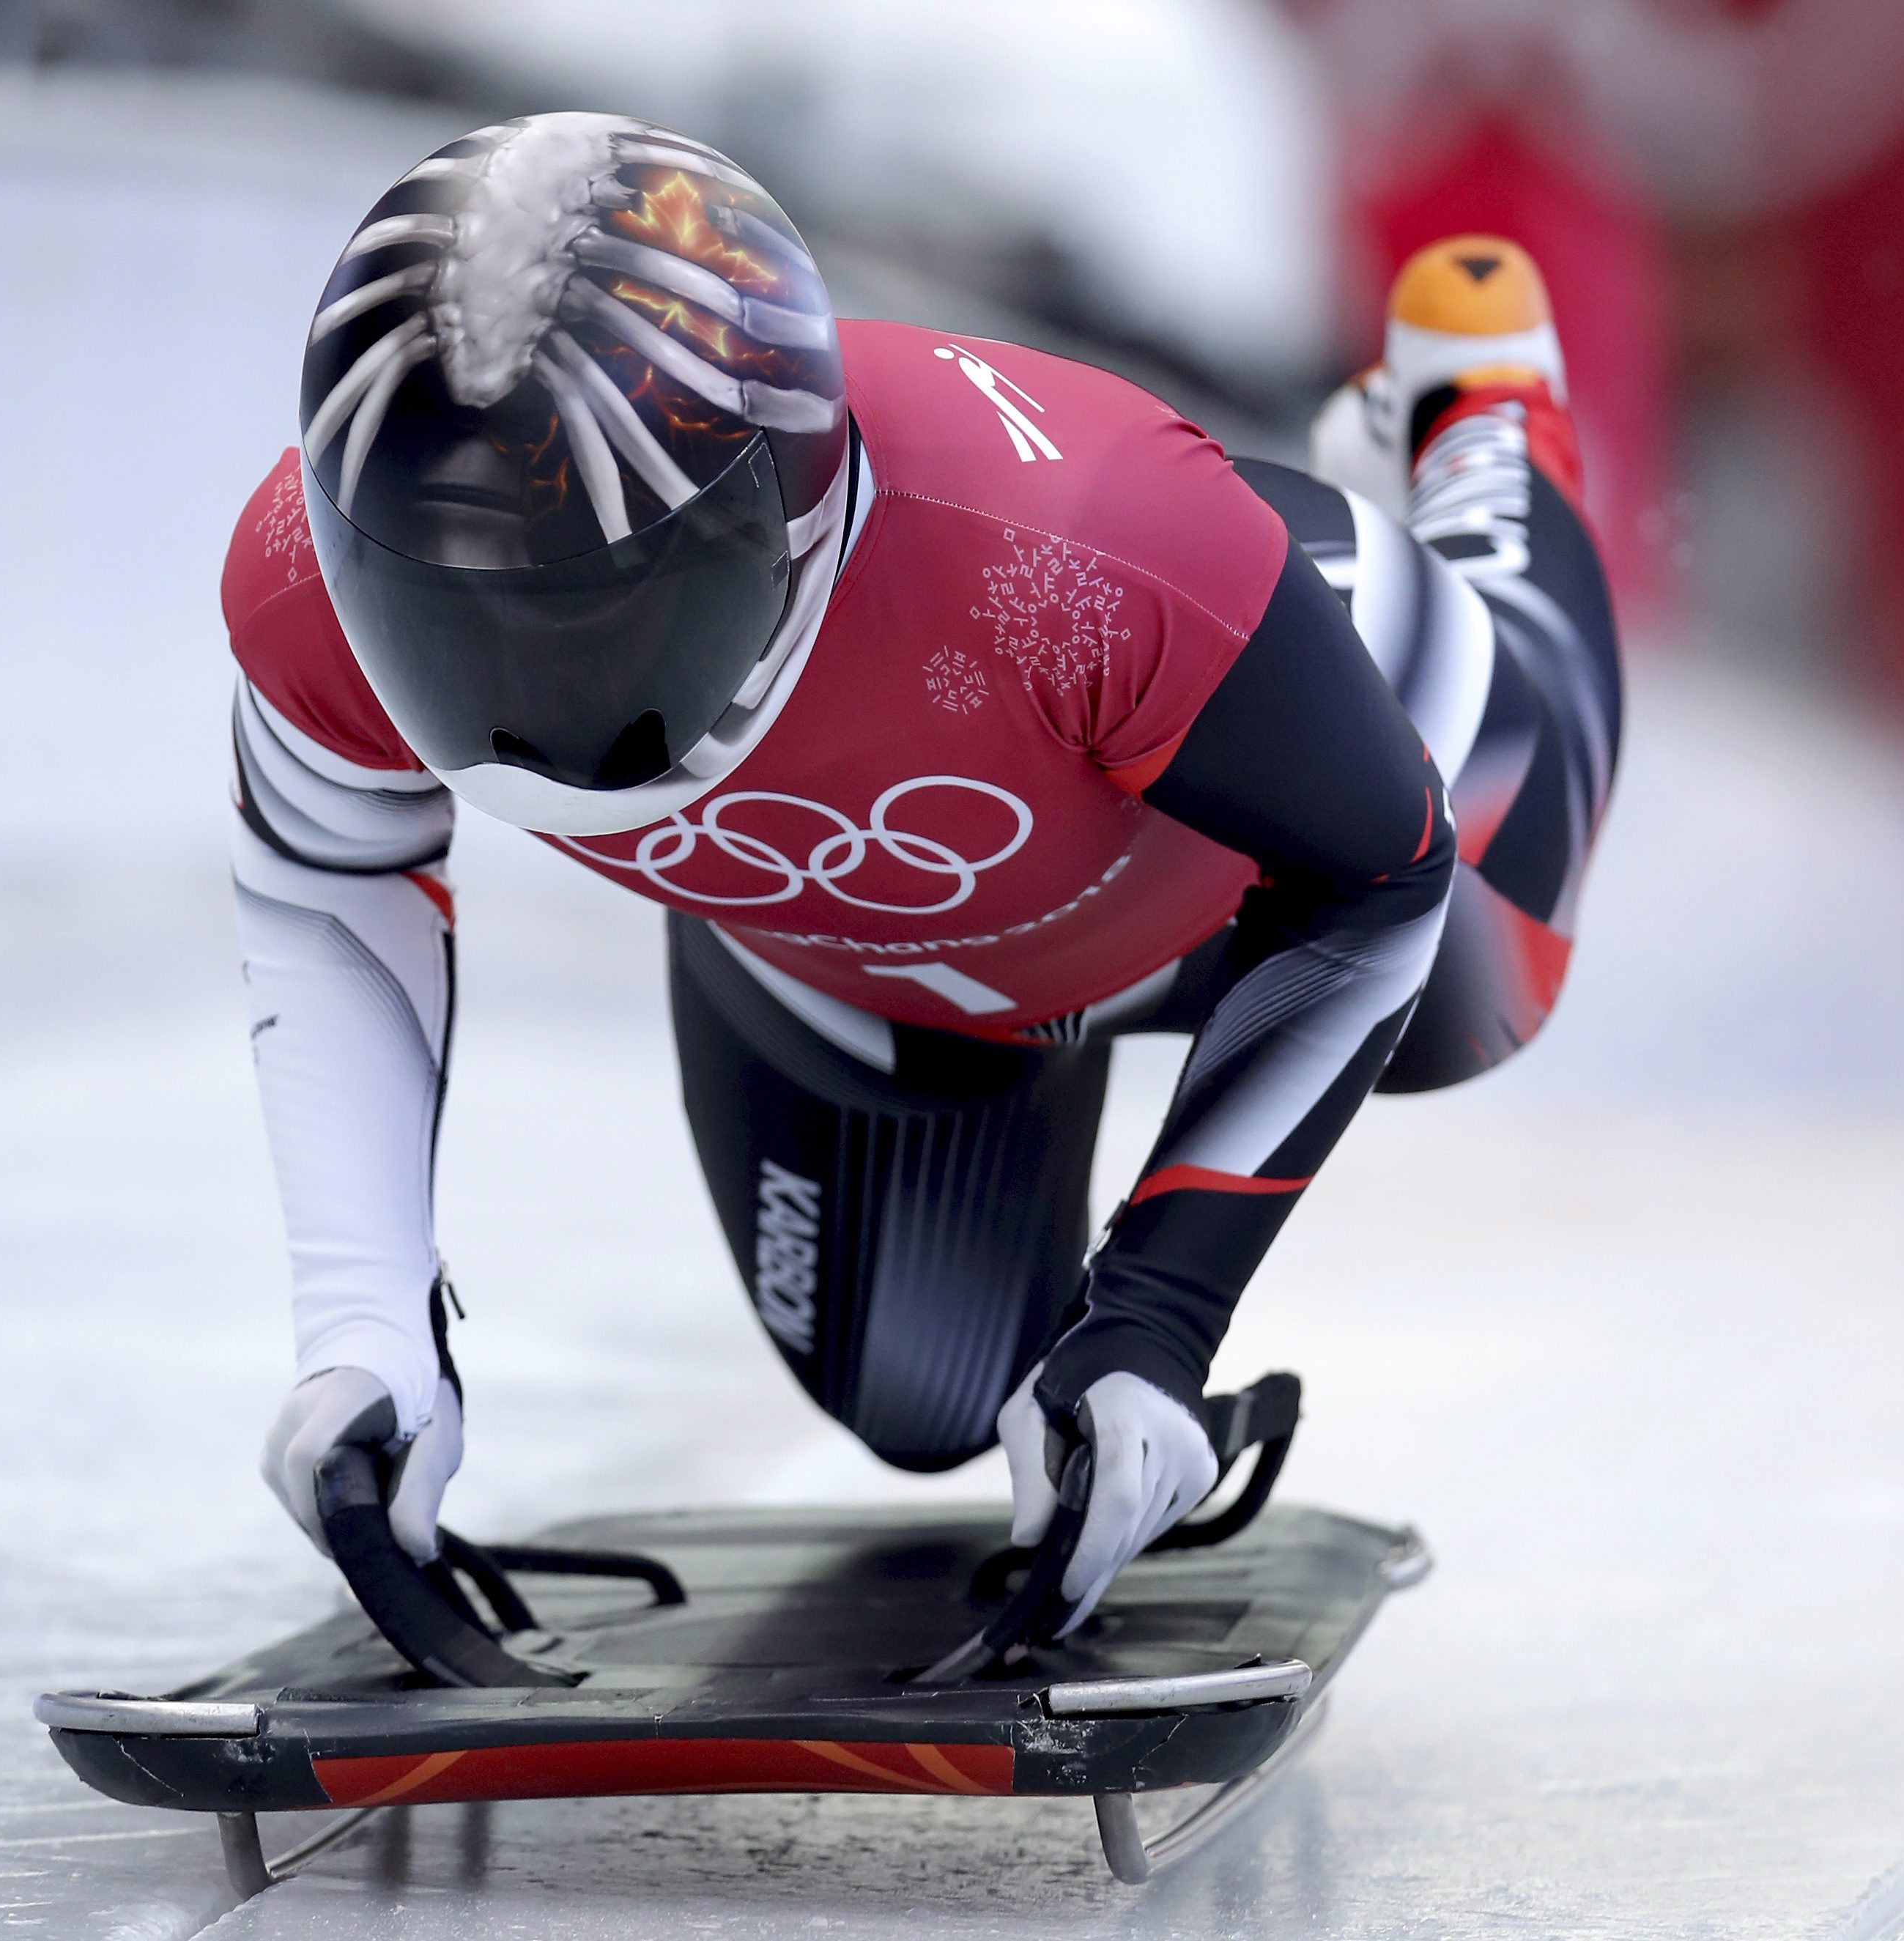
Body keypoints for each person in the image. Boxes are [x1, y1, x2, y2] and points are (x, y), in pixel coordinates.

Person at [229, 114, 1621, 1632]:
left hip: (1266, 787)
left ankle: (1480, 422)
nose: (548, 714)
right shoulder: (304, 580)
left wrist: (1156, 1316)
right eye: (453, 621)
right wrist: (362, 1335)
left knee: (1491, 975)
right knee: (923, 1399)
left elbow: (1374, 885)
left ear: (796, 502)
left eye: (609, 612)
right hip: (864, 941)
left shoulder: (1079, 549)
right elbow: (325, 891)